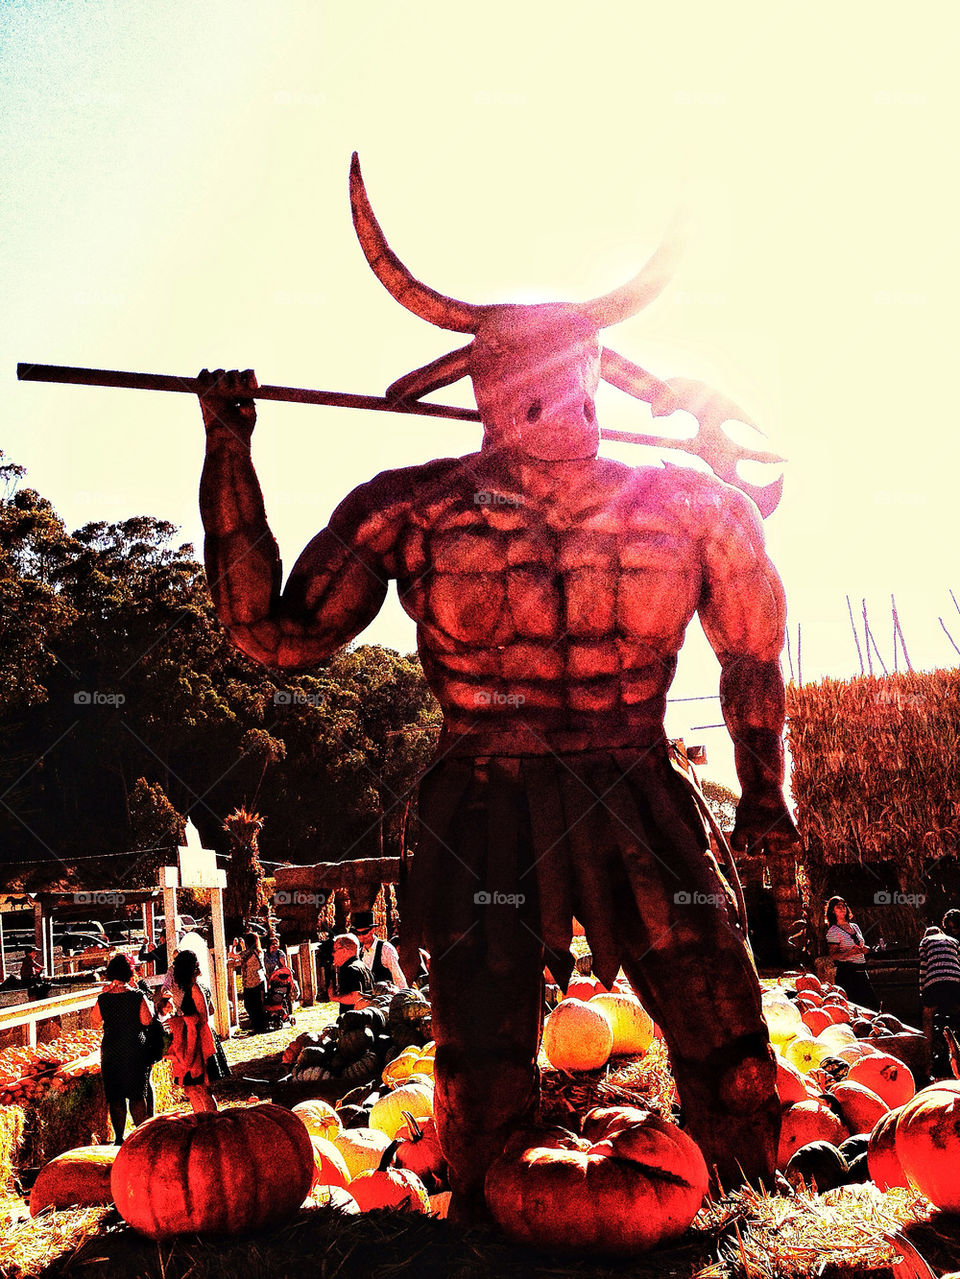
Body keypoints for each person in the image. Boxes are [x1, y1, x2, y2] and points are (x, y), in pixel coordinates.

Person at [197, 178, 798, 1214]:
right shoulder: (413, 510)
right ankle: (493, 1225)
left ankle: (755, 1210)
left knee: (732, 1043)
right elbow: (273, 635)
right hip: (487, 801)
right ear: (482, 391)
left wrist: (767, 794)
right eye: (531, 383)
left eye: (578, 380)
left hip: (639, 786)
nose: (563, 404)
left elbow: (750, 654)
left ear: (600, 376)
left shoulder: (693, 508)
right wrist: (231, 449)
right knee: (480, 1077)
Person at [90, 953, 154, 1144]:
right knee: (137, 1094)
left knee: (116, 1096)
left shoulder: (103, 998)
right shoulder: (137, 996)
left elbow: (94, 1022)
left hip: (112, 1050)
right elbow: (147, 1020)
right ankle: (142, 1135)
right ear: (130, 973)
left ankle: (118, 1137)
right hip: (134, 1048)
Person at [167, 949, 228, 1112]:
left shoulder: (195, 988)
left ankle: (212, 1122)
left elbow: (205, 1017)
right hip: (193, 1036)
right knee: (191, 1088)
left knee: (200, 1087)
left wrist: (183, 1020)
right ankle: (201, 1120)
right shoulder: (198, 987)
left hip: (198, 1040)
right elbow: (212, 1009)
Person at [919, 917, 960, 1078]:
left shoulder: (925, 942)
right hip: (955, 983)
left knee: (927, 1017)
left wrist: (923, 994)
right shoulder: (953, 941)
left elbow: (923, 969)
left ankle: (926, 1064)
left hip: (934, 983)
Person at [824, 897, 879, 1009]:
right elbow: (833, 955)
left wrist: (865, 949)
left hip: (861, 971)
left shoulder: (855, 927)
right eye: (838, 906)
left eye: (843, 905)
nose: (842, 908)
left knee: (873, 1005)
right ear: (832, 911)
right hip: (847, 973)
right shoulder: (833, 931)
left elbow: (861, 945)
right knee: (854, 1007)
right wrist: (850, 953)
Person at [351, 911, 408, 988]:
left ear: (373, 930)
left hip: (386, 997)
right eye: (358, 933)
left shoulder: (386, 949)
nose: (361, 936)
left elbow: (398, 979)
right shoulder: (359, 952)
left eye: (364, 932)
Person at [327, 934, 373, 1017]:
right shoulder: (364, 967)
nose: (332, 954)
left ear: (344, 951)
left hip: (354, 1020)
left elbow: (355, 997)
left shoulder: (350, 969)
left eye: (334, 950)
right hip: (368, 1017)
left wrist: (333, 998)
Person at [239, 931, 268, 1033]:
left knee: (250, 1006)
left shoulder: (250, 953)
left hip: (251, 982)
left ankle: (258, 1027)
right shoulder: (259, 952)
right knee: (258, 1006)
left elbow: (237, 956)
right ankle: (260, 1027)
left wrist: (235, 946)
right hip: (259, 980)